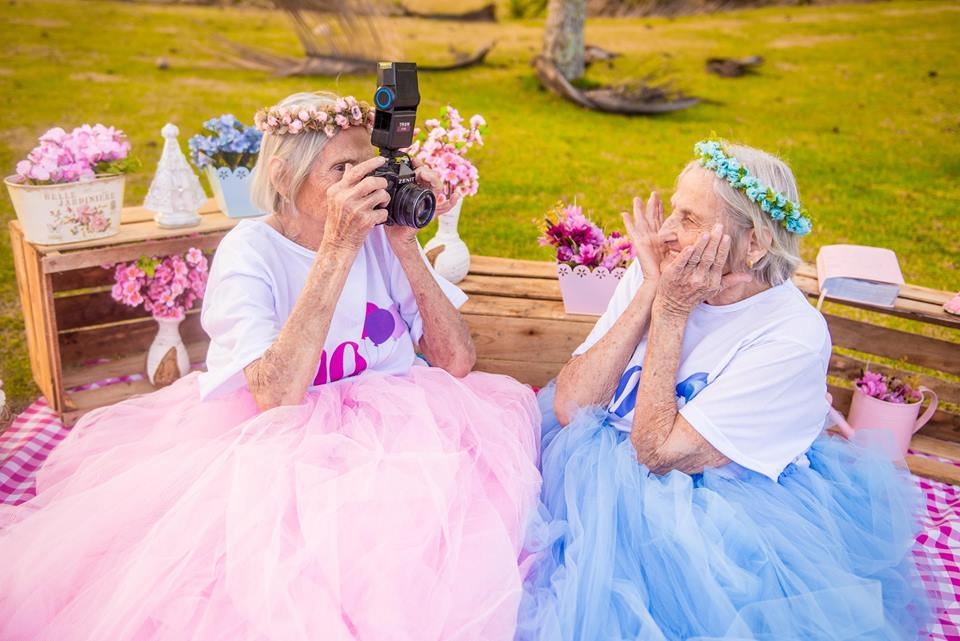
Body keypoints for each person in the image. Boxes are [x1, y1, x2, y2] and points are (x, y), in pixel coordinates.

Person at [0, 92, 542, 641]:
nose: (363, 184)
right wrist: (337, 246)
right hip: (284, 440)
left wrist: (404, 246)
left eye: (367, 166)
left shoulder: (383, 236)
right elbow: (275, 395)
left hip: (405, 430)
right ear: (284, 177)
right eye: (341, 169)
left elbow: (456, 361)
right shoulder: (250, 251)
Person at [515, 140, 932, 641]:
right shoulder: (667, 270)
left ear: (753, 244)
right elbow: (569, 405)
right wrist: (650, 290)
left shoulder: (791, 336)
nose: (665, 233)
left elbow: (657, 452)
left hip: (709, 502)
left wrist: (670, 311)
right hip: (592, 465)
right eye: (673, 210)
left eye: (689, 219)